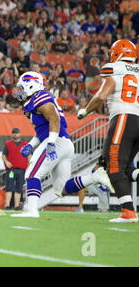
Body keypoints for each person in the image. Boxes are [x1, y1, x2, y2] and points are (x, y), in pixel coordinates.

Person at [11, 72, 113, 218]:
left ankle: (32, 211)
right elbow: (43, 130)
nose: (19, 91)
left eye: (21, 87)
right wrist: (31, 145)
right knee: (61, 188)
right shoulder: (34, 101)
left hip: (56, 141)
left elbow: (55, 119)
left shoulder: (40, 97)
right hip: (64, 143)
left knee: (32, 173)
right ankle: (95, 178)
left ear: (31, 85)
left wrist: (51, 143)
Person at [77, 39, 139, 223]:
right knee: (124, 167)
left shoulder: (114, 68)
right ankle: (128, 211)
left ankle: (128, 213)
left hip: (123, 117)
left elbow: (101, 95)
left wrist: (85, 111)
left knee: (112, 166)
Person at [2, 128, 29, 210]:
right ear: (12, 134)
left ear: (20, 134)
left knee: (19, 188)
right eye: (13, 133)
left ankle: (16, 205)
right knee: (9, 187)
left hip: (21, 170)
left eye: (16, 133)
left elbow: (29, 155)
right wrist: (6, 162)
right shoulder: (8, 144)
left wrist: (29, 166)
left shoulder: (25, 144)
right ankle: (7, 205)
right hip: (11, 170)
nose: (15, 134)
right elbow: (3, 155)